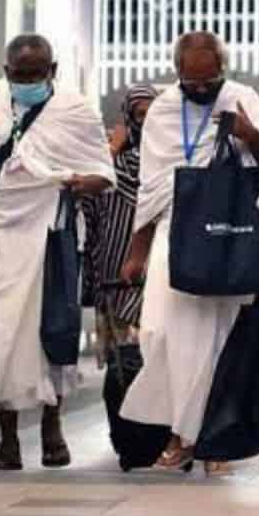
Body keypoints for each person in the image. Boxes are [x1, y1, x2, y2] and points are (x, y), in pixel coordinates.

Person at [119, 32, 259, 476]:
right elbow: (151, 186)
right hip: (175, 232)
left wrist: (251, 136)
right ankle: (181, 434)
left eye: (209, 82)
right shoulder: (163, 110)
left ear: (222, 70)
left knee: (219, 341)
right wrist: (137, 251)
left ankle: (209, 442)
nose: (200, 90)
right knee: (162, 336)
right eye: (191, 83)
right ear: (177, 73)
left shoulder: (242, 98)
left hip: (227, 233)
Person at [0, 34, 114, 470]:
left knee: (51, 330)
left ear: (53, 71)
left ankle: (52, 432)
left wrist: (78, 182)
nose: (27, 82)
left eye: (36, 74)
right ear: (6, 73)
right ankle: (8, 444)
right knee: (0, 334)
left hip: (50, 236)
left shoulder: (75, 110)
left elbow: (103, 173)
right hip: (1, 241)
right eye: (19, 75)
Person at [81, 84, 158, 368]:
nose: (146, 123)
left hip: (154, 269)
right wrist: (111, 151)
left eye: (152, 115)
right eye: (139, 115)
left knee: (153, 354)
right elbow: (89, 209)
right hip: (113, 270)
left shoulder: (169, 160)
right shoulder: (109, 161)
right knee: (120, 364)